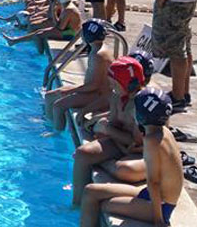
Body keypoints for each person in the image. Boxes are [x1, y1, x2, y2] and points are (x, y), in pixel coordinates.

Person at [78, 88, 182, 227]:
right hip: (151, 194)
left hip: (162, 205)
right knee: (91, 191)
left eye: (134, 108)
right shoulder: (163, 132)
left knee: (106, 205)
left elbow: (154, 182)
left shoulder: (152, 140)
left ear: (141, 116)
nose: (131, 111)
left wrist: (158, 220)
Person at [71, 56, 145, 206]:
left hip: (140, 151)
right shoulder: (118, 96)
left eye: (114, 83)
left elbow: (136, 143)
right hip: (121, 142)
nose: (111, 85)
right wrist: (99, 122)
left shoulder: (140, 105)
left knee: (124, 170)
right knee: (82, 153)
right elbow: (114, 123)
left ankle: (103, 163)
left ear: (129, 84)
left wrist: (107, 129)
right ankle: (76, 204)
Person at [44, 19, 113, 132]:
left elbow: (94, 86)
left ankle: (56, 134)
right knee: (49, 96)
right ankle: (49, 124)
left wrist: (70, 91)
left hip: (99, 95)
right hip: (93, 90)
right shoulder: (98, 49)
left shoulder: (98, 55)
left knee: (58, 106)